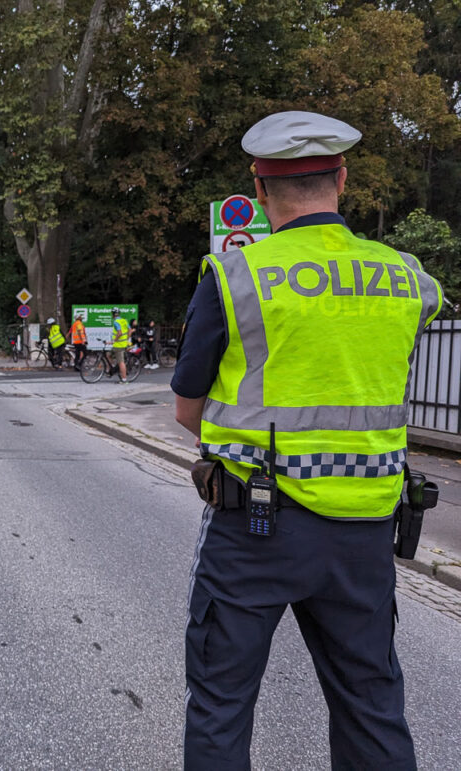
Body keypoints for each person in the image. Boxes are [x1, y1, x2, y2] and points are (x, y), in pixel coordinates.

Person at [173, 111, 442, 770]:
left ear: (259, 190)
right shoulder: (407, 278)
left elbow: (188, 412)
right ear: (342, 179)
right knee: (372, 706)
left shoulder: (238, 277)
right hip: (367, 532)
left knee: (221, 706)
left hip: (254, 530)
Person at [110, 308, 129, 383]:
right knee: (108, 354)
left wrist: (114, 340)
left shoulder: (116, 322)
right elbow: (130, 330)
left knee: (121, 362)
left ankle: (124, 379)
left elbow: (120, 333)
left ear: (112, 314)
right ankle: (112, 370)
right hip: (122, 344)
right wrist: (127, 339)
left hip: (119, 345)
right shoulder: (124, 320)